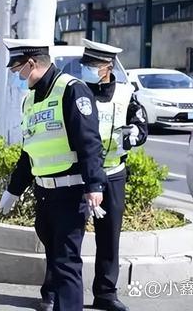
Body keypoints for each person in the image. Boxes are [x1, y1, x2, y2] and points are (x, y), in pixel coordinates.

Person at [0, 38, 107, 311]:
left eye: (18, 70)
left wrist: (95, 186)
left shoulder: (72, 91)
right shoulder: (31, 100)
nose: (17, 77)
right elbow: (30, 151)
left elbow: (89, 142)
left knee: (66, 263)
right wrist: (14, 189)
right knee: (55, 259)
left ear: (32, 64)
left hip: (70, 193)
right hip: (44, 193)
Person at [80, 39, 147, 311]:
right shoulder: (76, 91)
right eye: (86, 64)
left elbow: (141, 124)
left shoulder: (125, 93)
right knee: (66, 235)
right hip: (80, 173)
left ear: (107, 67)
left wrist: (135, 134)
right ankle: (53, 290)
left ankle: (106, 293)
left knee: (109, 237)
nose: (87, 69)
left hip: (114, 172)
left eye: (93, 65)